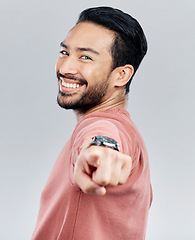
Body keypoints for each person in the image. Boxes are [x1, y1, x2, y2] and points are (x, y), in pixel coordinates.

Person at [31, 6, 152, 240]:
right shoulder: (133, 136)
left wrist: (103, 148)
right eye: (65, 52)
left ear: (121, 75)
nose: (65, 68)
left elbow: (102, 135)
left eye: (86, 57)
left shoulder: (105, 125)